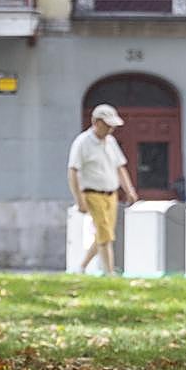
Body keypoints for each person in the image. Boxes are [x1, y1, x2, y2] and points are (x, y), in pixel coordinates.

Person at [67, 103, 139, 275]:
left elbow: (120, 167)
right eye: (108, 125)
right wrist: (79, 200)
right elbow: (73, 171)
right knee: (105, 233)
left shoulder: (111, 141)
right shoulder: (82, 142)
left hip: (111, 194)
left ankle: (82, 266)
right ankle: (109, 272)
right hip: (92, 194)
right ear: (96, 122)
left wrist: (129, 190)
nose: (111, 129)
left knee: (104, 234)